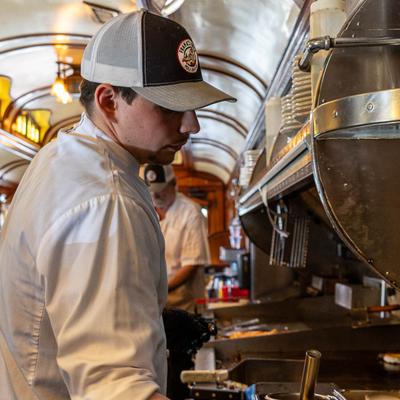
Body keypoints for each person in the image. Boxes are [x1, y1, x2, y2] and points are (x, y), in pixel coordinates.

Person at [0, 9, 235, 400]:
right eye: (170, 106)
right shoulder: (105, 201)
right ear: (109, 101)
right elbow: (114, 388)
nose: (192, 125)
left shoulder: (59, 158)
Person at [144, 164, 210, 312]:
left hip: (185, 304)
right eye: (151, 191)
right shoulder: (148, 212)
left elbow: (191, 264)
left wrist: (161, 290)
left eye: (160, 189)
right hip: (158, 304)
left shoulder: (190, 212)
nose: (155, 196)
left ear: (174, 183)